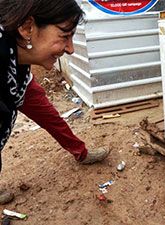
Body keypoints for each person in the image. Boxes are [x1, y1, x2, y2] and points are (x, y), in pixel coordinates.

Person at [0, 0, 110, 204]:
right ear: (27, 28)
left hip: (19, 76)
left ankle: (81, 152)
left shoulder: (16, 60)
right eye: (65, 36)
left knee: (50, 116)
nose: (71, 50)